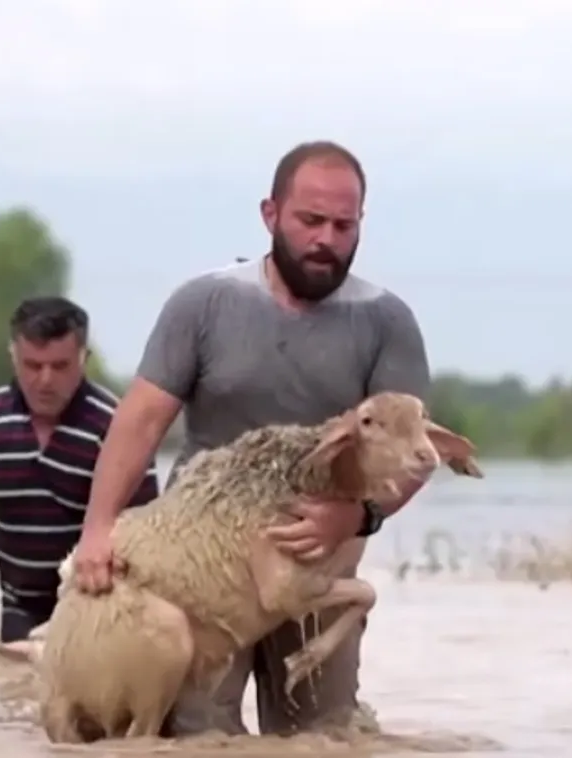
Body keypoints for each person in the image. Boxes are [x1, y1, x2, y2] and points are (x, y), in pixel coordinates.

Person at [69, 141, 432, 736]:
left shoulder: (386, 322)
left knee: (326, 738)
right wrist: (98, 528)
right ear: (270, 215)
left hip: (316, 550)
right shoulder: (205, 304)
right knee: (194, 736)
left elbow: (415, 454)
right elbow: (139, 421)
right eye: (310, 220)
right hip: (203, 562)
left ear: (360, 224)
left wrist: (358, 517)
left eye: (343, 225)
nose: (326, 239)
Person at [0, 296, 161, 643]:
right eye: (32, 365)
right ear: (13, 356)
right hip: (19, 607)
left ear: (85, 358)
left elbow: (145, 530)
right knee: (12, 693)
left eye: (60, 366)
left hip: (97, 605)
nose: (44, 380)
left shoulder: (116, 429)